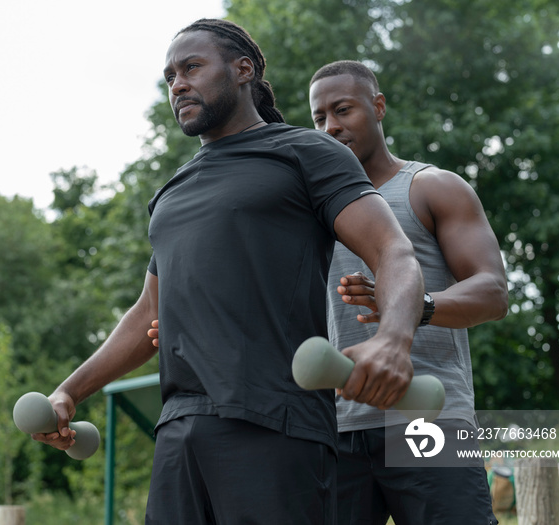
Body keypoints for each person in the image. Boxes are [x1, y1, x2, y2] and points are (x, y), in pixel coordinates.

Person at [35, 20, 425, 524]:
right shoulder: (172, 192)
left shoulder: (307, 152)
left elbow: (393, 250)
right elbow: (149, 311)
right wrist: (69, 391)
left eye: (191, 67)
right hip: (178, 430)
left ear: (243, 70)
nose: (177, 84)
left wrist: (394, 340)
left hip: (276, 424)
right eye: (169, 76)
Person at [309, 60, 509, 525]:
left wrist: (414, 306)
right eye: (319, 118)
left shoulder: (431, 187)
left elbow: (493, 292)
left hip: (427, 413)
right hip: (333, 426)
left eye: (343, 110)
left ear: (378, 107)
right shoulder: (308, 214)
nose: (331, 127)